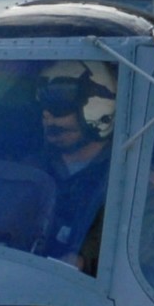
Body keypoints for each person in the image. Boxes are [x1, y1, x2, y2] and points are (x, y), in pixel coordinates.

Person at [36, 61, 116, 269]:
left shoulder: (132, 183)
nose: (47, 115)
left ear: (99, 106)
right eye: (43, 105)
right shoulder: (31, 169)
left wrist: (85, 262)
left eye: (58, 105)